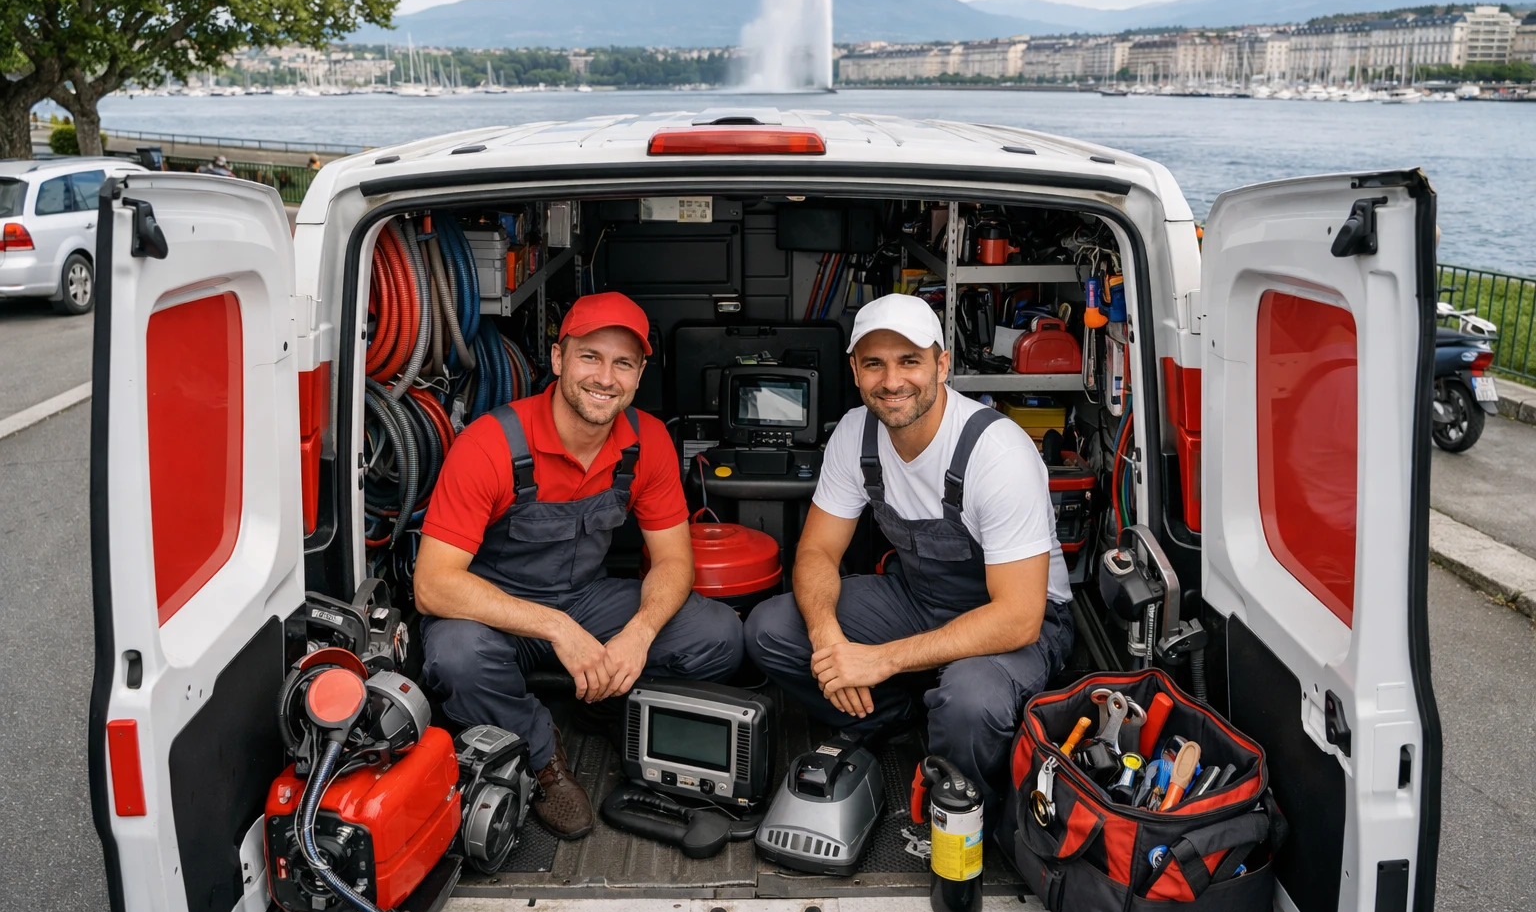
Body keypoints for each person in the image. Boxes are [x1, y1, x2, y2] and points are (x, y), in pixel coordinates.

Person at [414, 292, 744, 839]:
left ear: (639, 375)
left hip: (587, 599)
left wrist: (637, 635)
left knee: (719, 635)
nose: (605, 377)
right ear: (559, 358)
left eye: (623, 363)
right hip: (494, 613)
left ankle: (610, 702)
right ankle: (540, 757)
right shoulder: (491, 444)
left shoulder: (648, 441)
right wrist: (556, 627)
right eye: (590, 356)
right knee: (456, 661)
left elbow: (673, 562)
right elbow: (433, 585)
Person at [745, 294, 1074, 821]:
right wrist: (830, 638)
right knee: (772, 627)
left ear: (942, 364)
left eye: (910, 361)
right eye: (874, 363)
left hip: (1020, 621)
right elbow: (816, 551)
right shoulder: (855, 433)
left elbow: (1018, 616)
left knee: (971, 701)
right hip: (918, 598)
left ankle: (963, 817)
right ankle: (892, 714)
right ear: (855, 370)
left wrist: (880, 660)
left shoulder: (997, 453)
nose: (892, 381)